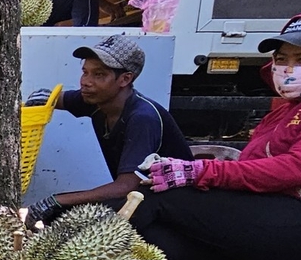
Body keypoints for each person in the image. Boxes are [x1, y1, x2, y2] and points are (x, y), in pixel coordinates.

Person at [132, 9, 301, 260]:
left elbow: (297, 168)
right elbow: (254, 165)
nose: (288, 68)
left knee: (154, 199)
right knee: (153, 238)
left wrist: (200, 172)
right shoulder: (291, 108)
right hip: (272, 213)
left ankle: (89, 254)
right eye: (281, 58)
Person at [31, 34, 191, 220]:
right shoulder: (96, 99)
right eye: (85, 72)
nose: (86, 81)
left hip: (168, 203)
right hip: (137, 196)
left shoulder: (142, 118)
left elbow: (126, 186)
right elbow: (56, 99)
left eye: (99, 74)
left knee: (61, 211)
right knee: (59, 212)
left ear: (124, 79)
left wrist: (56, 200)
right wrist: (40, 98)